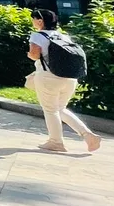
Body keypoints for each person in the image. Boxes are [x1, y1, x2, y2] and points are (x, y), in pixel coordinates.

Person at [28, 9, 101, 153]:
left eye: (33, 18)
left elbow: (35, 55)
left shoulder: (37, 36)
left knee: (50, 110)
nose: (32, 21)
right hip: (69, 78)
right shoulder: (62, 36)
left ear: (40, 21)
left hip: (48, 77)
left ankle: (56, 142)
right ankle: (88, 136)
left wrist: (29, 54)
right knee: (60, 109)